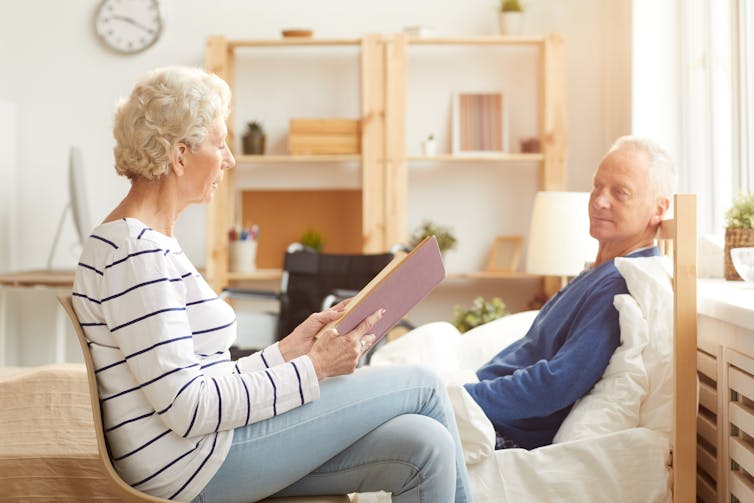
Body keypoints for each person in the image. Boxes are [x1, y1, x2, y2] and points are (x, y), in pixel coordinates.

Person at [72, 66, 472, 503]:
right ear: (180, 155)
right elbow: (189, 408)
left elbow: (204, 377)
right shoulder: (136, 253)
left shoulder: (146, 242)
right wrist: (315, 368)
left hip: (202, 452)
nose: (229, 159)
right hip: (194, 464)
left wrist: (289, 351)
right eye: (219, 144)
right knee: (423, 385)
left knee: (424, 445)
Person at [464, 136, 674, 450]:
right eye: (597, 187)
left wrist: (459, 399)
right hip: (480, 404)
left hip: (500, 429)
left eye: (620, 192)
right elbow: (532, 352)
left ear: (659, 209)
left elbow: (558, 382)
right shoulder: (599, 270)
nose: (600, 201)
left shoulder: (622, 282)